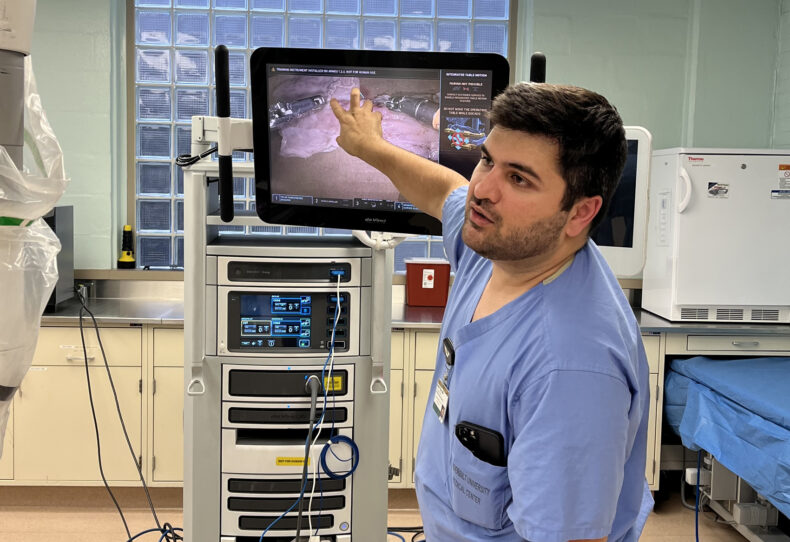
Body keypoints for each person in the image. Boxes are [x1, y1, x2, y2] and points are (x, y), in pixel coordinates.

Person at [330, 83, 653, 542]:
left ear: (580, 213)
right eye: (487, 159)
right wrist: (370, 146)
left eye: (519, 178)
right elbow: (444, 190)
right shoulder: (502, 246)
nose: (482, 190)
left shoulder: (568, 370)